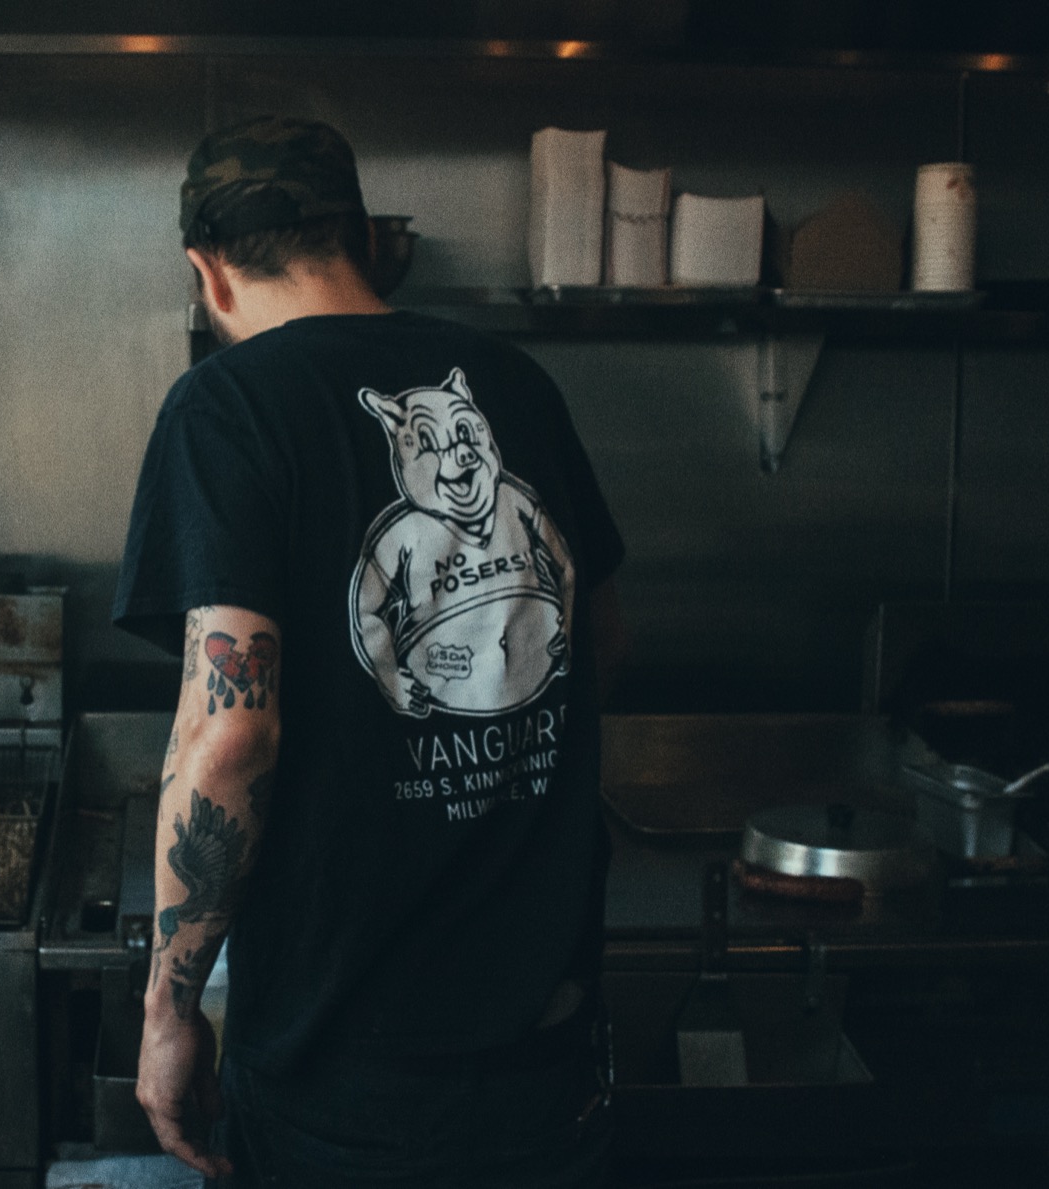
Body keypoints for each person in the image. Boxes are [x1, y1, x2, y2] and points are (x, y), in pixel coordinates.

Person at [113, 115, 626, 1189]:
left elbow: (228, 735)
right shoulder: (517, 384)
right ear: (365, 240)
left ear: (208, 272)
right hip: (552, 1047)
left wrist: (169, 1008)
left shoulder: (226, 407)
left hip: (348, 1076)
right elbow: (598, 644)